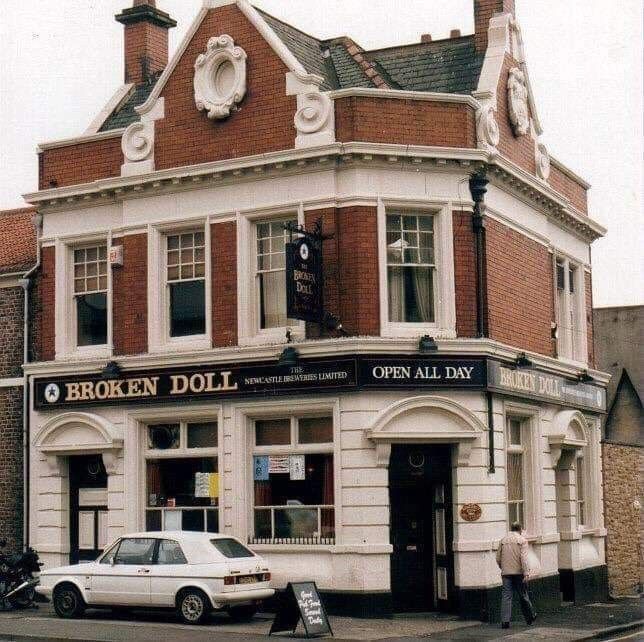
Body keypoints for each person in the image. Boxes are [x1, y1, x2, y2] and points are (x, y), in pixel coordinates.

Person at [496, 522, 536, 629]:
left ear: (511, 528)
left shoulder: (503, 540)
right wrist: (526, 573)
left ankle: (505, 622)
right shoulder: (522, 540)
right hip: (519, 573)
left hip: (506, 573)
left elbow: (498, 557)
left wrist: (502, 567)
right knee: (523, 594)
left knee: (506, 596)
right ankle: (530, 617)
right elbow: (524, 558)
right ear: (520, 530)